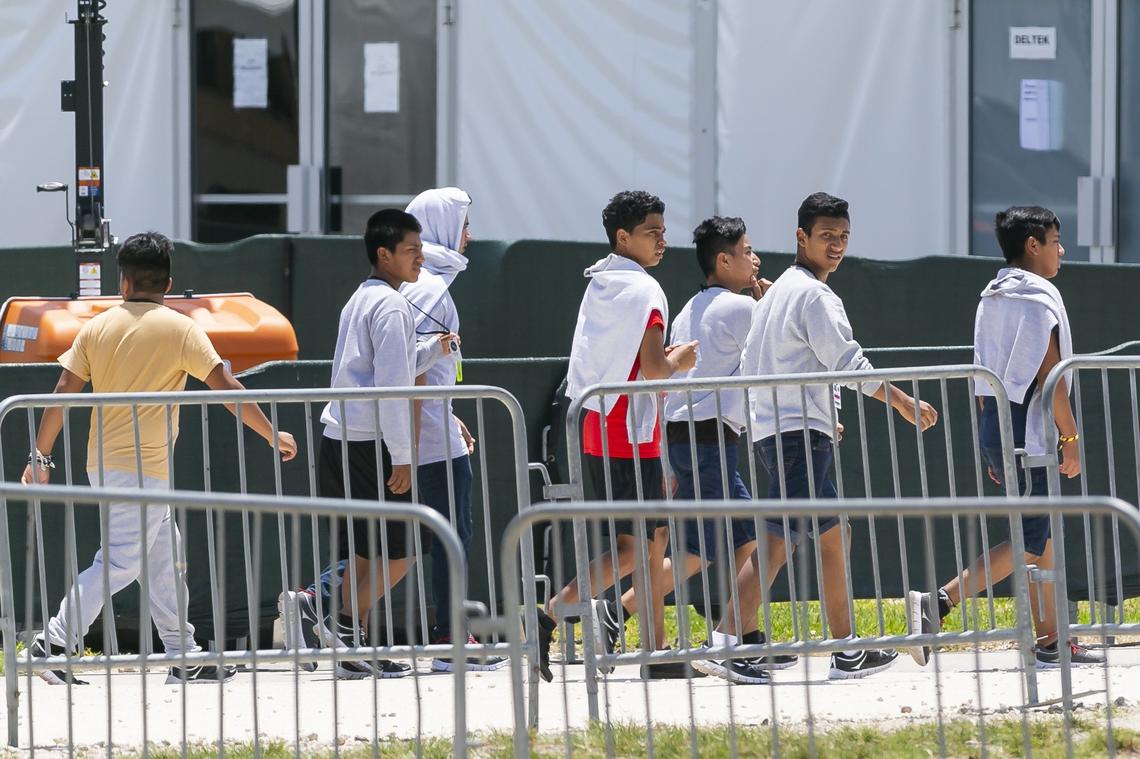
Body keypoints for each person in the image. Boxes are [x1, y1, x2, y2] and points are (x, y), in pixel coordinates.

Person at [20, 231, 297, 685]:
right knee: (122, 561)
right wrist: (271, 433)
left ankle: (183, 654)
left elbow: (64, 391)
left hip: (106, 463)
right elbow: (225, 388)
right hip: (143, 468)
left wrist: (40, 456)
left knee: (164, 559)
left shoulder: (97, 326)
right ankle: (52, 642)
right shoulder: (182, 328)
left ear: (123, 282)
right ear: (168, 284)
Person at [741, 192, 939, 680]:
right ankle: (727, 640)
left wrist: (823, 414)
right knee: (778, 540)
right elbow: (847, 362)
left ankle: (845, 649)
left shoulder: (782, 290)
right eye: (827, 236)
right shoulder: (811, 294)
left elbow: (783, 362)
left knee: (831, 535)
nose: (837, 245)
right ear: (801, 237)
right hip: (794, 434)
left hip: (784, 430)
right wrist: (903, 401)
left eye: (844, 237)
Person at [906, 206, 1105, 668]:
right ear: (1032, 244)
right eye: (1055, 241)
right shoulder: (1036, 296)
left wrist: (988, 438)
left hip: (996, 419)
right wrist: (1070, 437)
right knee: (1030, 541)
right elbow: (1048, 367)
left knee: (1043, 534)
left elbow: (983, 372)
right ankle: (938, 603)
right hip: (1026, 426)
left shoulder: (991, 294)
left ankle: (1052, 640)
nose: (1061, 251)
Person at [605, 215, 791, 684]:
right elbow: (780, 348)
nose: (756, 260)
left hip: (694, 436)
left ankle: (746, 638)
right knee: (701, 550)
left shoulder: (695, 305)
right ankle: (618, 609)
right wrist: (765, 303)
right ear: (723, 259)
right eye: (747, 251)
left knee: (746, 537)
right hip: (706, 438)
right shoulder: (740, 307)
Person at [278, 209, 456, 680]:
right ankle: (337, 624)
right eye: (411, 251)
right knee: (403, 550)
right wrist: (402, 456)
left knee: (363, 551)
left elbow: (383, 366)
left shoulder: (362, 297)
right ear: (385, 254)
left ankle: (350, 642)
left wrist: (435, 349)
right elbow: (394, 386)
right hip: (370, 442)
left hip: (341, 436)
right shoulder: (393, 305)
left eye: (421, 248)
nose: (420, 259)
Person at [541, 190, 698, 680]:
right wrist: (680, 361)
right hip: (628, 428)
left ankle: (657, 650)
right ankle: (549, 613)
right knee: (638, 546)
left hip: (598, 420)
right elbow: (654, 369)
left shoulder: (601, 282)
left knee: (652, 543)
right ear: (623, 236)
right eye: (653, 232)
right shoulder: (646, 290)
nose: (662, 241)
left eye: (663, 232)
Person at [401, 187, 505, 672]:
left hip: (432, 430)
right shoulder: (429, 288)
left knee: (424, 537)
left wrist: (449, 416)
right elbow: (415, 372)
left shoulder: (426, 281)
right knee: (447, 536)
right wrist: (416, 443)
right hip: (427, 441)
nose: (470, 236)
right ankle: (449, 639)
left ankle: (316, 598)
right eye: (463, 225)